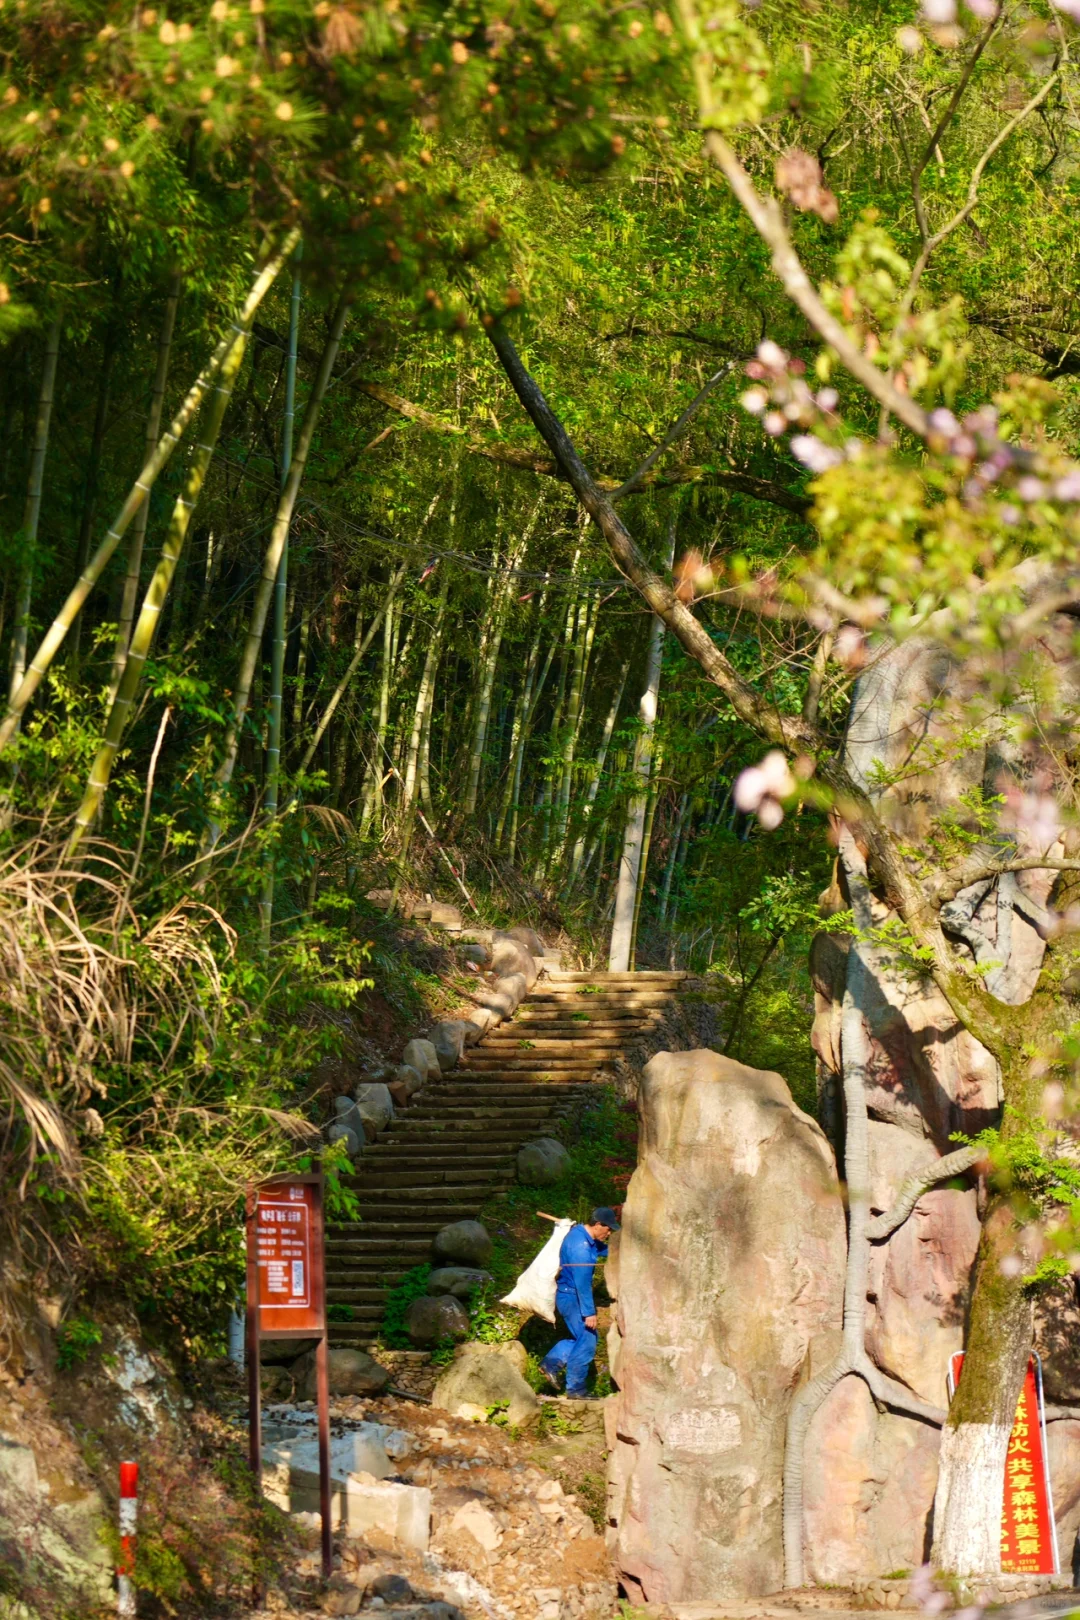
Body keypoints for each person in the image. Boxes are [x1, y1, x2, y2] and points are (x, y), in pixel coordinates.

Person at [540, 1207, 620, 1399]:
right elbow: (582, 1283)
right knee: (587, 1341)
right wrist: (589, 1312)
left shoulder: (584, 1237)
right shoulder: (580, 1248)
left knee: (582, 1338)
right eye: (608, 1229)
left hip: (569, 1295)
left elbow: (602, 1250)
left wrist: (621, 1251)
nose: (609, 1233)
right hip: (572, 1297)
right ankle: (576, 1390)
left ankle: (550, 1364)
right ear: (598, 1224)